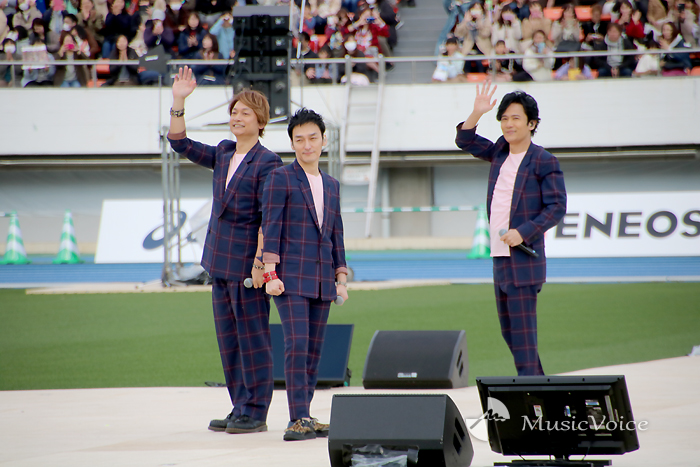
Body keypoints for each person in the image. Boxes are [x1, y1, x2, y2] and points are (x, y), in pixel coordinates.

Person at [167, 66, 282, 436]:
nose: (237, 117)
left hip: (247, 265)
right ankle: (239, 406)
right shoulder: (223, 151)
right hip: (218, 261)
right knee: (229, 342)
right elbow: (180, 143)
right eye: (234, 112)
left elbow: (268, 217)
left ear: (260, 121)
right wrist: (179, 100)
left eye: (245, 112)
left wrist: (261, 262)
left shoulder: (268, 162)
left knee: (253, 339)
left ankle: (256, 411)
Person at [455, 81, 566, 376]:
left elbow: (556, 206)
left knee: (523, 337)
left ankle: (533, 394)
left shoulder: (544, 161)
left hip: (524, 257)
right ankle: (539, 387)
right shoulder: (500, 152)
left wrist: (523, 232)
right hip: (500, 257)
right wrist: (477, 113)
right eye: (504, 118)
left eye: (516, 118)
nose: (508, 124)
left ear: (532, 124)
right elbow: (465, 140)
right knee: (511, 333)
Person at [261, 107, 348, 441]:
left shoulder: (332, 185)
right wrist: (270, 273)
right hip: (290, 278)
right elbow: (271, 227)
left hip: (323, 280)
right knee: (297, 344)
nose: (307, 145)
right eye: (300, 139)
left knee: (313, 349)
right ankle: (297, 418)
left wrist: (341, 279)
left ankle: (307, 415)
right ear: (292, 144)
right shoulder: (281, 177)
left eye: (313, 138)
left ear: (324, 141)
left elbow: (336, 234)